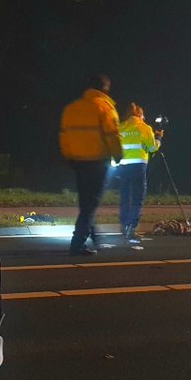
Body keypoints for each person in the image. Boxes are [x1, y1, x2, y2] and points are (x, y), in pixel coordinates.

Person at [59, 74, 122, 256]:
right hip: (98, 162)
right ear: (105, 89)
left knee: (86, 201)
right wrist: (117, 155)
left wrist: (69, 157)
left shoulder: (72, 108)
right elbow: (113, 136)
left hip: (78, 162)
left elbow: (64, 136)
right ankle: (77, 243)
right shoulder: (105, 108)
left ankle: (94, 236)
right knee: (90, 203)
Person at [114, 102, 160, 239]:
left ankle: (123, 226)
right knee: (137, 197)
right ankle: (132, 228)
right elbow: (152, 148)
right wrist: (158, 138)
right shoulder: (144, 127)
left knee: (124, 196)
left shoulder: (121, 127)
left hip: (123, 167)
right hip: (138, 167)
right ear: (140, 114)